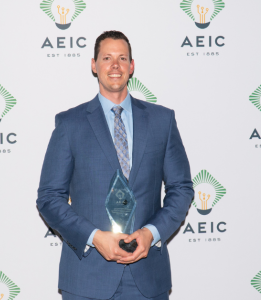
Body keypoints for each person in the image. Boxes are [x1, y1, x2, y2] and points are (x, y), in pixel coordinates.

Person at [37, 30, 194, 300]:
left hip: (148, 277)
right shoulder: (69, 124)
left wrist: (151, 233)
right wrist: (95, 237)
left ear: (132, 66)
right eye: (107, 57)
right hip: (87, 278)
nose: (115, 65)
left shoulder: (162, 121)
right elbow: (50, 198)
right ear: (93, 65)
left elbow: (181, 189)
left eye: (122, 58)